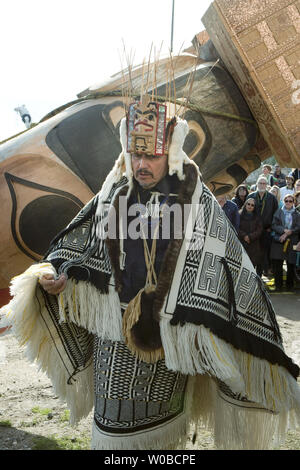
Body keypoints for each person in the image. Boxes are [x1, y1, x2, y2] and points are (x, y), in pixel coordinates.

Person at [1, 92, 300, 451]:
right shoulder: (112, 193)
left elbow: (227, 261)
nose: (141, 163)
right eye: (135, 153)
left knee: (159, 434)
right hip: (112, 333)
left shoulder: (196, 198)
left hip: (164, 340)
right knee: (112, 429)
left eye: (151, 155)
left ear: (171, 151)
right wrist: (60, 275)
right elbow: (80, 245)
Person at [247, 176, 278, 277]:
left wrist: (271, 228)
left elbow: (275, 214)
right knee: (251, 253)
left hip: (266, 231)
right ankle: (250, 276)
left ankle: (259, 276)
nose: (262, 185)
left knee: (262, 254)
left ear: (267, 185)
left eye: (264, 183)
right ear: (257, 184)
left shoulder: (272, 198)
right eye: (260, 183)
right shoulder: (251, 196)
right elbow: (245, 213)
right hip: (253, 231)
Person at [270, 194, 300, 291]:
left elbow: (298, 227)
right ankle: (278, 286)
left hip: (292, 241)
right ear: (283, 201)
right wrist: (283, 230)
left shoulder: (297, 214)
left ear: (294, 202)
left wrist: (288, 233)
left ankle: (289, 286)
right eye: (286, 201)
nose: (288, 203)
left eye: (290, 201)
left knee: (291, 265)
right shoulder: (278, 212)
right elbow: (274, 225)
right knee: (278, 265)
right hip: (279, 240)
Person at [238, 198, 263, 268]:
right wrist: (244, 236)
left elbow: (259, 230)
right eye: (248, 204)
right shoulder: (239, 215)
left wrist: (250, 237)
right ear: (245, 204)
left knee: (252, 266)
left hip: (253, 245)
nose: (250, 206)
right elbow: (237, 227)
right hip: (241, 243)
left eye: (252, 205)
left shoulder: (257, 216)